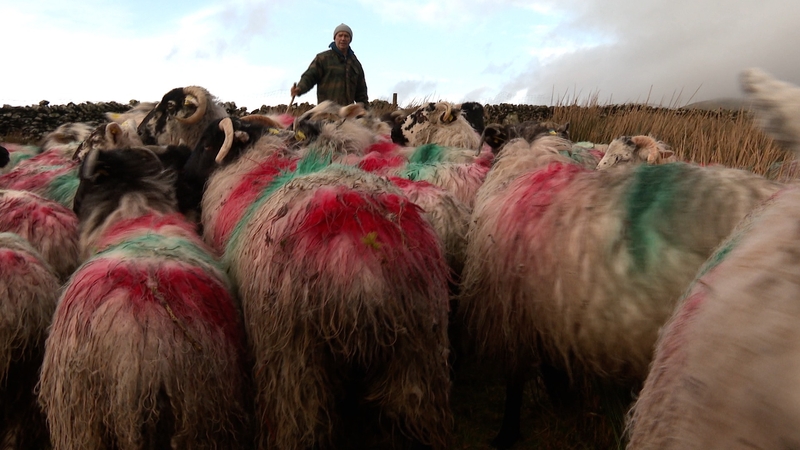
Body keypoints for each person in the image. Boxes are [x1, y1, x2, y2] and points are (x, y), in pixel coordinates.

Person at [290, 23, 368, 107]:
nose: (343, 39)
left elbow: (361, 92)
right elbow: (310, 76)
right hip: (326, 111)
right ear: (335, 38)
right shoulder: (323, 58)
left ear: (350, 39)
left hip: (347, 114)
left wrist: (366, 112)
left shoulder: (355, 63)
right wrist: (300, 88)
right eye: (340, 35)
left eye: (346, 36)